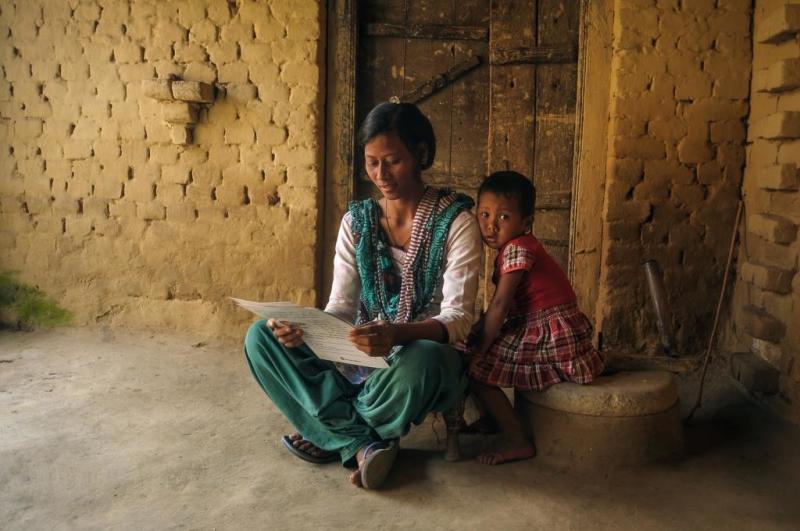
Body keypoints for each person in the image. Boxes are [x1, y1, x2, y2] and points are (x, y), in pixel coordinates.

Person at [244, 102, 482, 489]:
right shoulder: (357, 221)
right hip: (361, 350)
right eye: (371, 163)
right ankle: (362, 445)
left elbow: (458, 320)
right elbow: (341, 307)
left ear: (421, 155)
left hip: (422, 355)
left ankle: (329, 432)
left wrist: (397, 335)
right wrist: (304, 328)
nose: (381, 176)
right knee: (261, 339)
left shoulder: (456, 221)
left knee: (421, 363)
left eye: (393, 161)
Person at [466, 171, 605, 465]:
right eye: (485, 214)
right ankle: (493, 419)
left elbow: (501, 305)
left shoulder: (517, 249)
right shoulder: (515, 247)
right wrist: (478, 330)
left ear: (526, 223)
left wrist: (481, 347)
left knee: (477, 370)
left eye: (503, 217)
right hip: (544, 322)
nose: (491, 225)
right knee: (476, 347)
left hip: (547, 331)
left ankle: (517, 438)